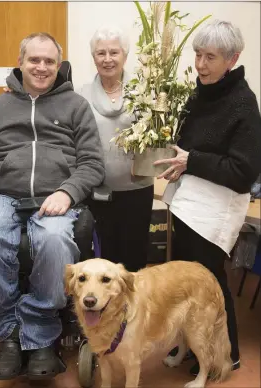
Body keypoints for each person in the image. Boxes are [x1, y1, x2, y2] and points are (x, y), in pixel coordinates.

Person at [0, 32, 104, 380]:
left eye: (49, 61)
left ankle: (42, 335)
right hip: (5, 196)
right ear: (20, 62)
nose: (41, 67)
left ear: (59, 66)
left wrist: (68, 192)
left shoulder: (75, 106)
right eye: (34, 60)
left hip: (54, 197)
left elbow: (91, 164)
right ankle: (9, 333)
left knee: (55, 242)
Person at [154, 20, 261, 376]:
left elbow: (243, 172)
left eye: (210, 57)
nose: (200, 64)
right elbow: (191, 147)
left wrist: (192, 161)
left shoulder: (243, 103)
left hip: (217, 208)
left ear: (232, 58)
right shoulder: (201, 92)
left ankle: (223, 354)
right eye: (198, 55)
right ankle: (194, 345)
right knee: (187, 281)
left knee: (210, 282)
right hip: (189, 200)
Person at [78, 26, 154, 272]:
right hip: (96, 192)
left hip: (137, 189)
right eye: (101, 53)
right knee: (102, 262)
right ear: (93, 58)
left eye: (114, 52)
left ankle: (133, 311)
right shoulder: (80, 95)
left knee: (134, 259)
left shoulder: (145, 92)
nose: (107, 59)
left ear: (125, 56)